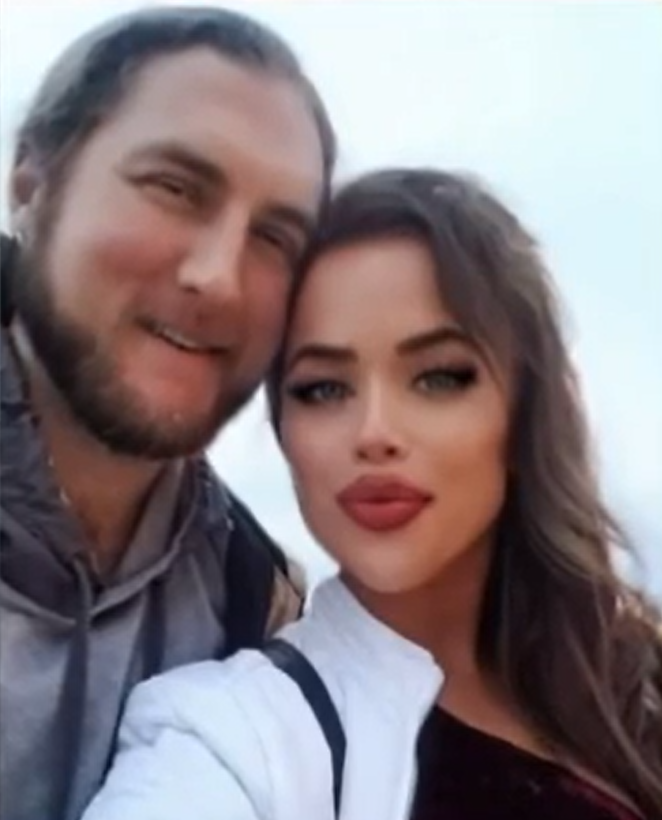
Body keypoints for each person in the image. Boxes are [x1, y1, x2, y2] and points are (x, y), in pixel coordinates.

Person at [82, 168, 662, 820]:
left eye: (438, 377)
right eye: (323, 388)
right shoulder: (230, 739)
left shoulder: (630, 685)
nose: (374, 433)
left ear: (525, 412)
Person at [0, 6, 335, 820]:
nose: (218, 277)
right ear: (31, 186)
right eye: (176, 189)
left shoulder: (254, 601)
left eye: (276, 238)